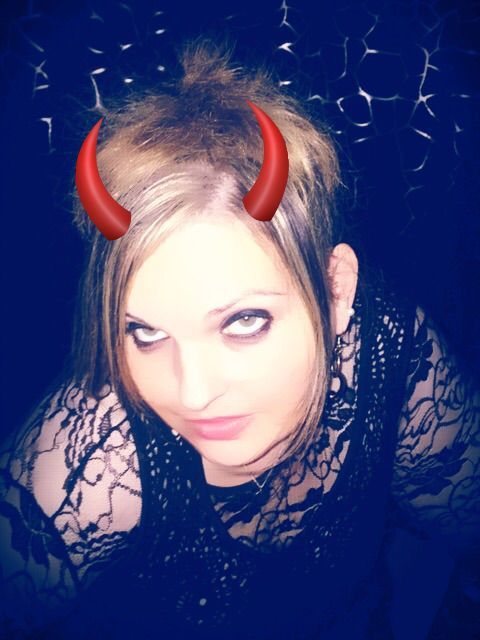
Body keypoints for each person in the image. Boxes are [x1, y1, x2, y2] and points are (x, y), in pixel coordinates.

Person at [0, 37, 478, 640]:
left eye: (243, 322)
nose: (192, 394)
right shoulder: (91, 463)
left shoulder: (387, 349)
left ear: (337, 291)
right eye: (144, 332)